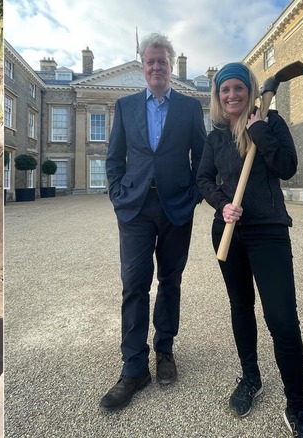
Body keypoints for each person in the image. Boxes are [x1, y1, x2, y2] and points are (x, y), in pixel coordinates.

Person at [196, 62, 303, 437]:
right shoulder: (216, 136)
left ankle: (297, 408)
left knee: (283, 320)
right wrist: (222, 204)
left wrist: (260, 131)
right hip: (228, 232)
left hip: (269, 231)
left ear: (250, 90)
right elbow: (203, 178)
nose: (231, 95)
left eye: (238, 88)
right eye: (225, 89)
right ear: (218, 96)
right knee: (240, 306)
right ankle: (251, 377)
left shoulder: (271, 122)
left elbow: (287, 167)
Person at [102, 33, 206, 411]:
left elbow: (202, 157)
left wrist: (194, 195)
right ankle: (133, 367)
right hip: (135, 208)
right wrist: (118, 195)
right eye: (151, 61)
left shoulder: (190, 108)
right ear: (142, 66)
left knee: (170, 281)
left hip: (177, 206)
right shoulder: (125, 105)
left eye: (163, 61)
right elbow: (114, 157)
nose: (157, 67)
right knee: (134, 284)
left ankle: (164, 351)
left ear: (171, 65)